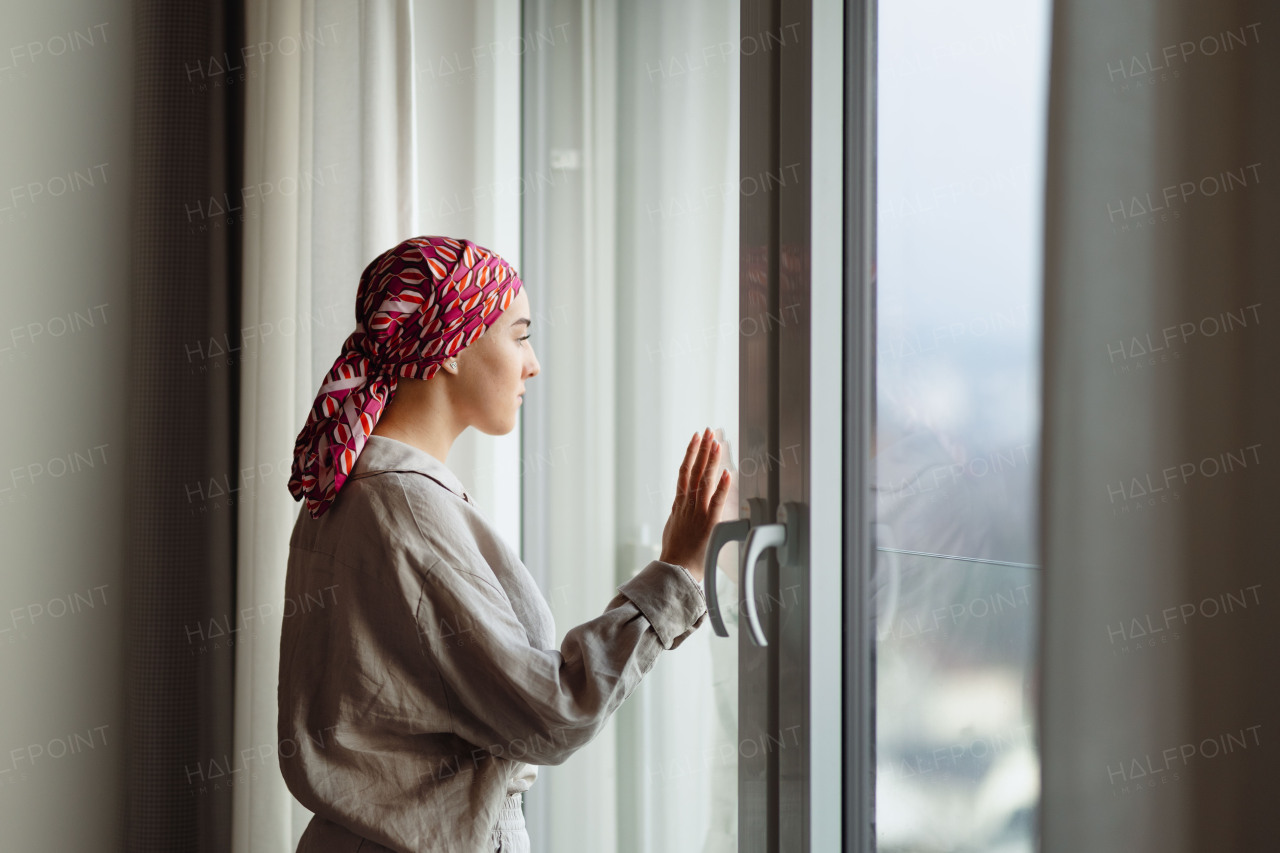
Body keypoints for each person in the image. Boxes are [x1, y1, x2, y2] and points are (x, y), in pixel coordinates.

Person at [278, 235, 732, 852]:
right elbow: (553, 711)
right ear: (451, 345)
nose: (533, 362)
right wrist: (676, 573)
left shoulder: (352, 488)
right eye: (519, 334)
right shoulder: (408, 509)